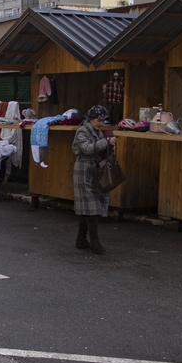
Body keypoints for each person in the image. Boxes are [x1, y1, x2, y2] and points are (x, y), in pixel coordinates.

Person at [73, 104, 116, 254]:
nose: (101, 123)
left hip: (93, 169)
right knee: (91, 207)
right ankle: (94, 241)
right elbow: (86, 148)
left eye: (103, 121)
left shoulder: (97, 132)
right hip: (84, 170)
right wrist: (106, 142)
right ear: (91, 119)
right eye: (98, 120)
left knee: (89, 206)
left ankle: (81, 239)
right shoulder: (82, 131)